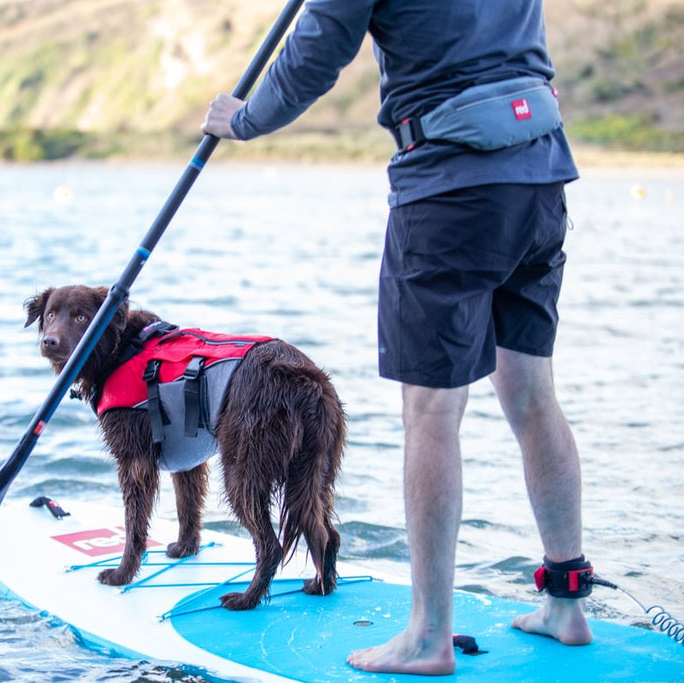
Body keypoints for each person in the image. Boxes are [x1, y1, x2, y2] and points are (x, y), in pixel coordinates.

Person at [201, 0, 593, 675]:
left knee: (432, 410)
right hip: (541, 173)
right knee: (531, 394)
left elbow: (313, 59)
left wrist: (241, 119)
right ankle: (566, 601)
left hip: (450, 190)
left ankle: (428, 635)